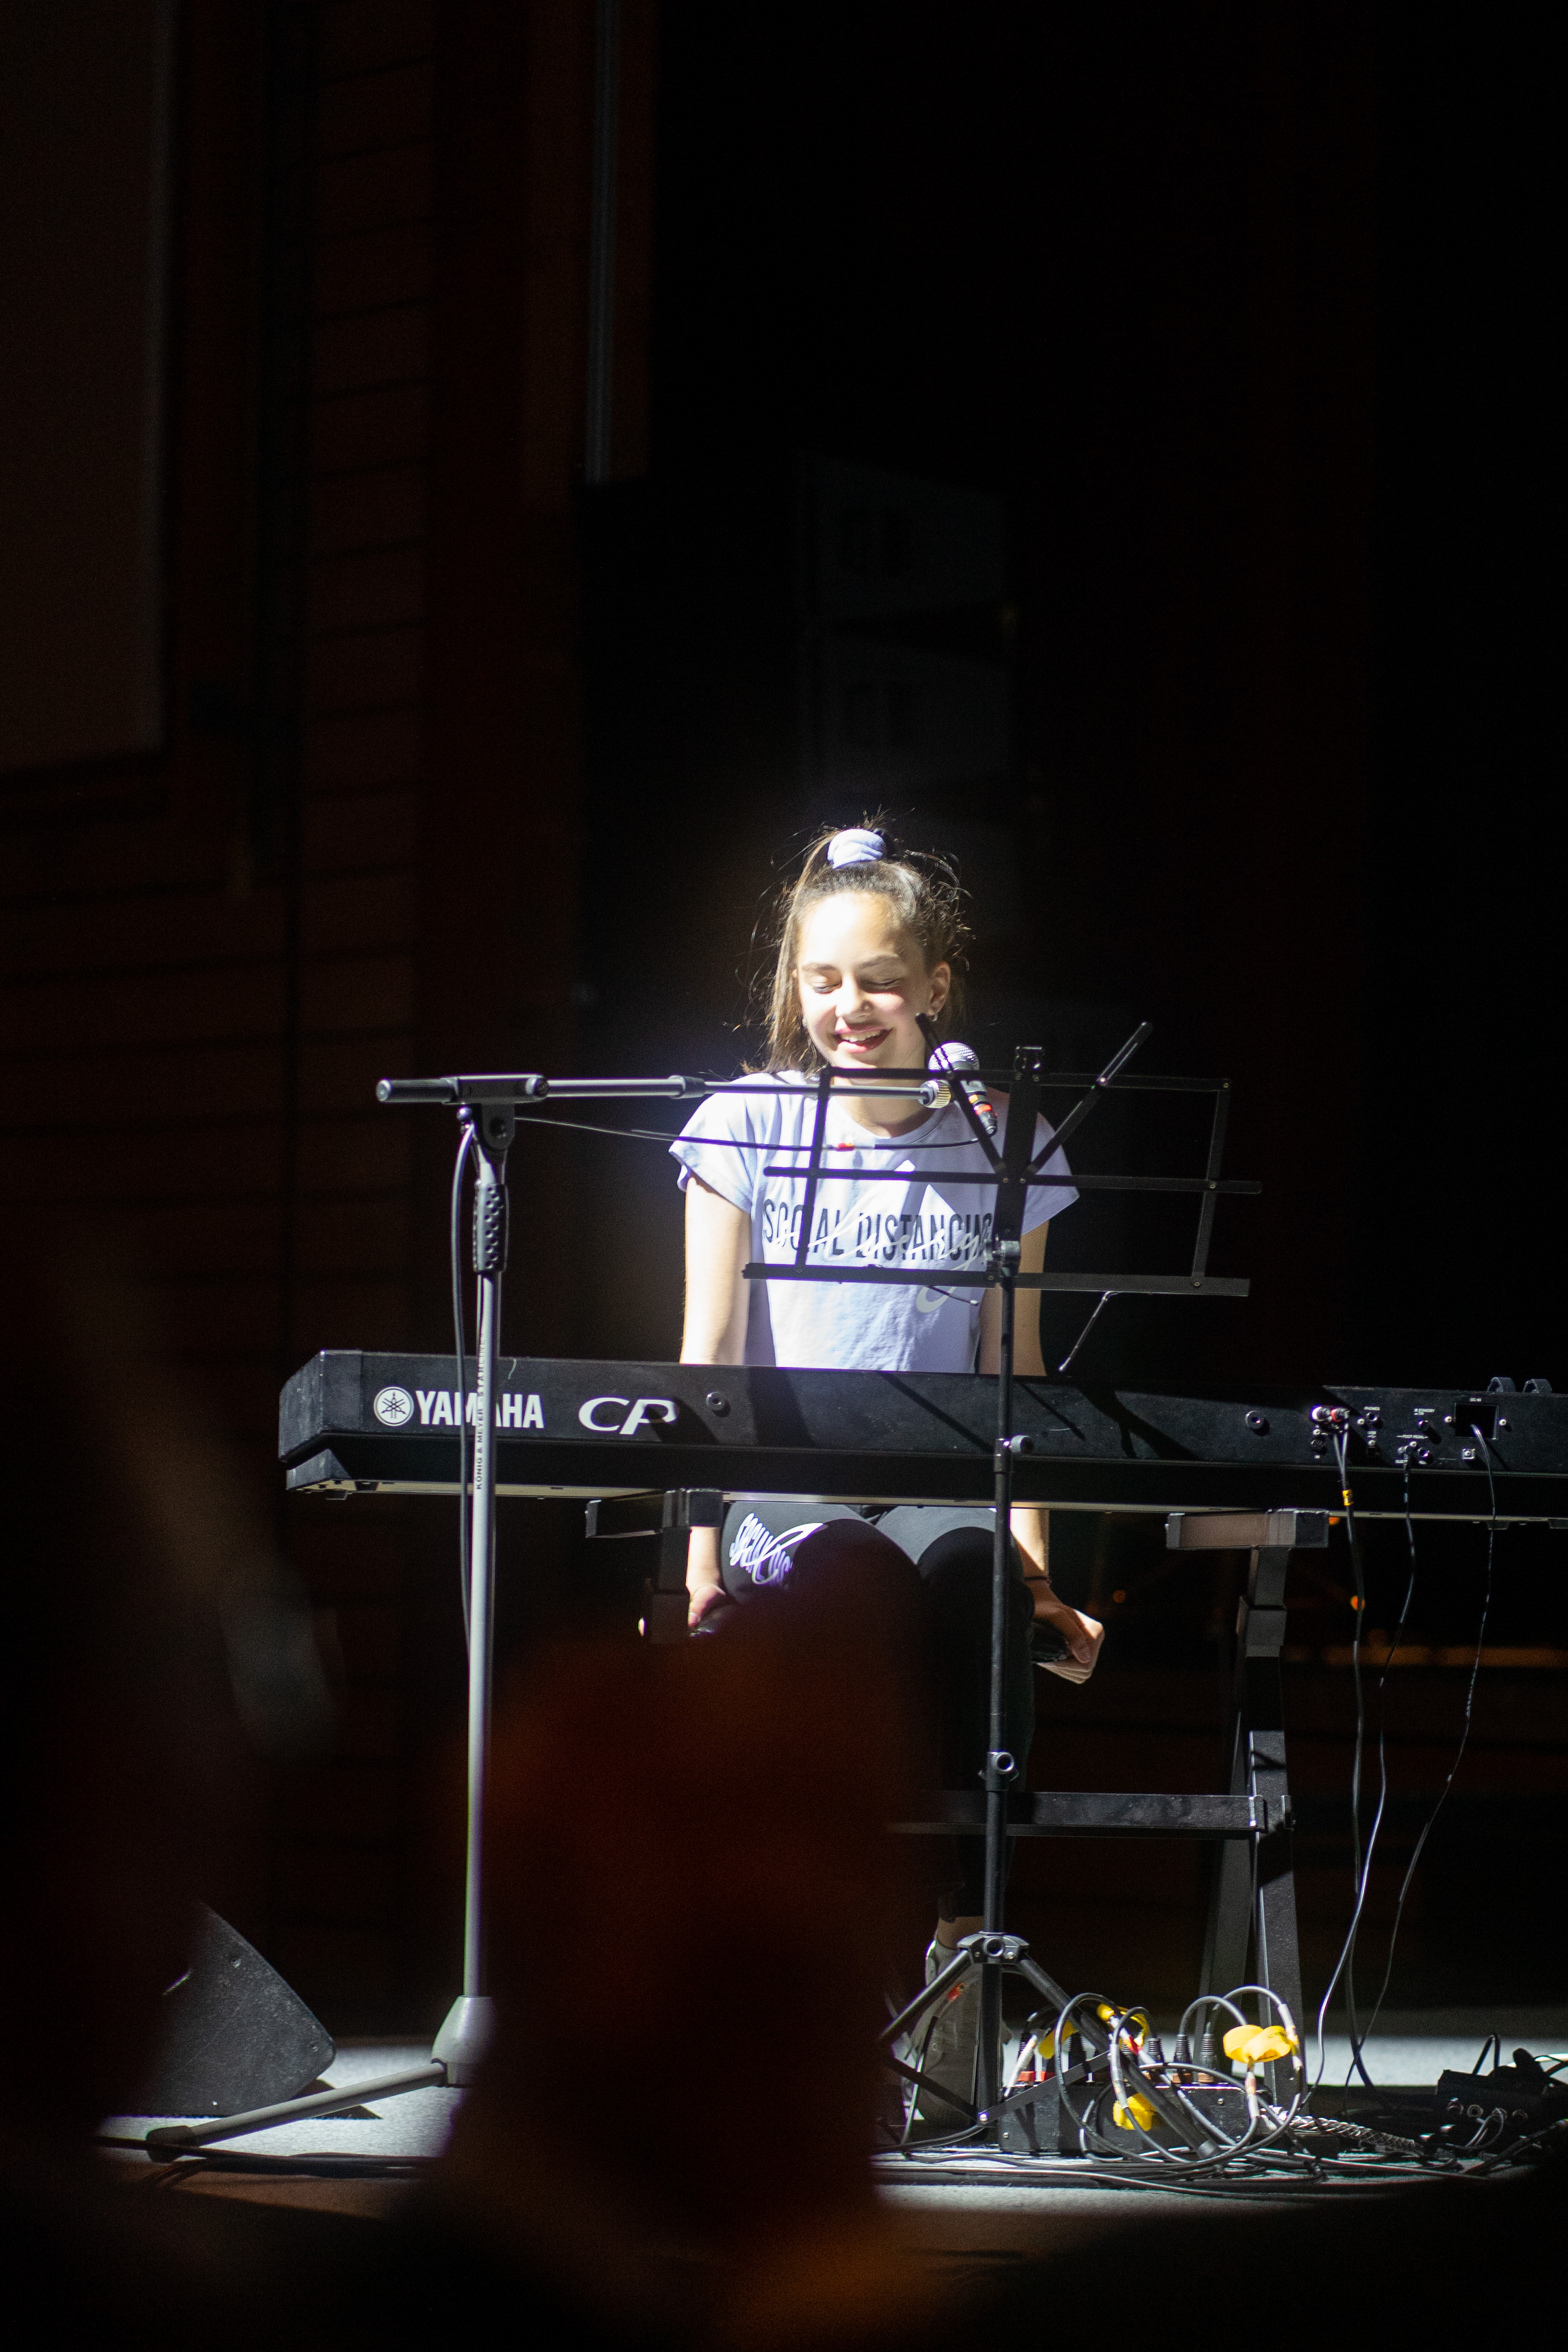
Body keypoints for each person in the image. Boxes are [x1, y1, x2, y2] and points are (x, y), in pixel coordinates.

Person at [670, 822, 1105, 2120]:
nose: (846, 1006)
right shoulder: (742, 1124)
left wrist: (1036, 1572)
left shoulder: (1000, 1140)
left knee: (970, 1576)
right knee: (849, 1577)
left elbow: (1014, 1374)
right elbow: (703, 1357)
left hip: (940, 1483)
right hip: (788, 1491)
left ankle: (959, 1960)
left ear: (933, 984)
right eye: (820, 980)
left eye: (877, 978)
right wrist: (691, 1564)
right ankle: (837, 1983)